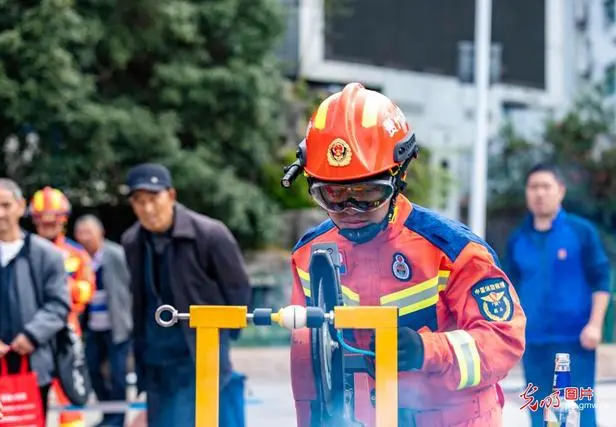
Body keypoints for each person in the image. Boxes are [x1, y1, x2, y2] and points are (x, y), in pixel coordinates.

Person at [286, 83, 526, 427]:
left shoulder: (453, 252)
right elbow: (309, 360)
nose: (350, 209)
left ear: (400, 176)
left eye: (368, 193)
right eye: (331, 195)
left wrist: (426, 351)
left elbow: (504, 339)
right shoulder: (309, 256)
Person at [121, 163, 251, 427]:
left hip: (199, 350)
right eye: (139, 201)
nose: (147, 209)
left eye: (153, 198)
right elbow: (138, 297)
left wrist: (224, 337)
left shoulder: (210, 234)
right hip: (156, 357)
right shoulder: (132, 240)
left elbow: (238, 289)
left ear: (171, 195)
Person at [505, 163, 611, 427]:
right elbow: (509, 292)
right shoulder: (518, 239)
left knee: (580, 414)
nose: (539, 193)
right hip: (535, 343)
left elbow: (601, 279)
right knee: (540, 414)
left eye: (546, 186)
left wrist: (595, 325)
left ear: (560, 191)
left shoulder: (581, 232)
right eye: (533, 187)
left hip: (576, 342)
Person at [0, 178, 70, 424]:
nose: (0, 213)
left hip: (35, 363)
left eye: (6, 205)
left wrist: (31, 335)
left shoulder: (46, 254)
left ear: (20, 206)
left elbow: (59, 304)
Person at [28, 186, 96, 427]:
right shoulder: (24, 253)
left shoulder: (76, 255)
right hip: (32, 335)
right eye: (42, 221)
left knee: (70, 392)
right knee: (33, 395)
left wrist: (59, 288)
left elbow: (87, 291)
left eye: (53, 221)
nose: (48, 225)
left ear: (63, 220)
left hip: (67, 332)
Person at [75, 215, 132, 427]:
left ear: (100, 233)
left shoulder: (115, 254)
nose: (85, 238)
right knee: (91, 369)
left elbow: (130, 287)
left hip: (116, 325)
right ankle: (107, 414)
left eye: (89, 232)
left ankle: (118, 419)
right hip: (93, 326)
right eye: (81, 233)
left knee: (118, 374)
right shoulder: (78, 258)